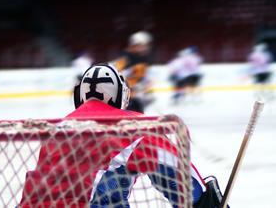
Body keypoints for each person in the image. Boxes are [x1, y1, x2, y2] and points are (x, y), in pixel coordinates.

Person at [18, 63, 229, 208]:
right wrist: (207, 200)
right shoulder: (134, 126)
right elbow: (181, 180)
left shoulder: (59, 130)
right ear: (120, 95)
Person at [113, 30, 154, 113]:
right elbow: (115, 74)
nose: (146, 48)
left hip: (134, 97)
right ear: (136, 45)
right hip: (125, 97)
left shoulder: (142, 59)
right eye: (144, 45)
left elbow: (142, 78)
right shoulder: (125, 58)